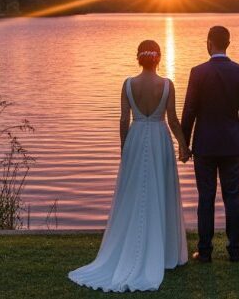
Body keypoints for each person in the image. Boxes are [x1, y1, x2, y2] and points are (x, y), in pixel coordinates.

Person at [68, 40, 189, 292]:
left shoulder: (127, 84)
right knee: (160, 190)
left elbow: (124, 119)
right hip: (159, 138)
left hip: (135, 138)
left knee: (133, 192)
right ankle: (164, 252)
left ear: (139, 58)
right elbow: (174, 120)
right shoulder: (167, 84)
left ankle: (134, 247)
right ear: (158, 58)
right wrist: (183, 144)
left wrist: (125, 148)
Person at [182, 25, 239, 263]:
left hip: (205, 145)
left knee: (206, 197)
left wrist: (184, 143)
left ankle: (205, 251)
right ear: (228, 44)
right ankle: (235, 251)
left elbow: (190, 109)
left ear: (209, 43)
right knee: (232, 197)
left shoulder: (198, 72)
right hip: (232, 144)